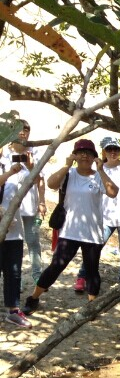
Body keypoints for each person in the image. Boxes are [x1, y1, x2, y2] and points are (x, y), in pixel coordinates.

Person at [22, 138, 119, 315]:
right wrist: (66, 165)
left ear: (94, 157)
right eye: (80, 152)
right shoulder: (69, 174)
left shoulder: (98, 175)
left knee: (92, 270)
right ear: (74, 155)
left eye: (88, 153)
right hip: (69, 231)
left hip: (92, 233)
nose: (84, 156)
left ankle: (91, 306)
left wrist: (101, 170)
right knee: (56, 266)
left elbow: (113, 192)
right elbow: (51, 183)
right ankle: (34, 298)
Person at [76, 136, 120, 290]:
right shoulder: (98, 169)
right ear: (104, 151)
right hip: (105, 215)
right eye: (109, 149)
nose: (113, 152)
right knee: (96, 245)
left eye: (116, 149)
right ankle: (83, 276)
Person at [0, 121, 45, 283]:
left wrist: (42, 201)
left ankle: (37, 275)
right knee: (8, 245)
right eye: (19, 129)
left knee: (32, 240)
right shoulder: (3, 151)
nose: (23, 133)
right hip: (6, 207)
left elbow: (40, 180)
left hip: (28, 206)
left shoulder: (35, 152)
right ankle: (13, 281)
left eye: (26, 130)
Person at [0, 157, 31, 327]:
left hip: (13, 234)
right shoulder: (10, 171)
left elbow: (30, 181)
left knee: (13, 273)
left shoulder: (12, 164)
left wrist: (31, 166)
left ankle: (13, 311)